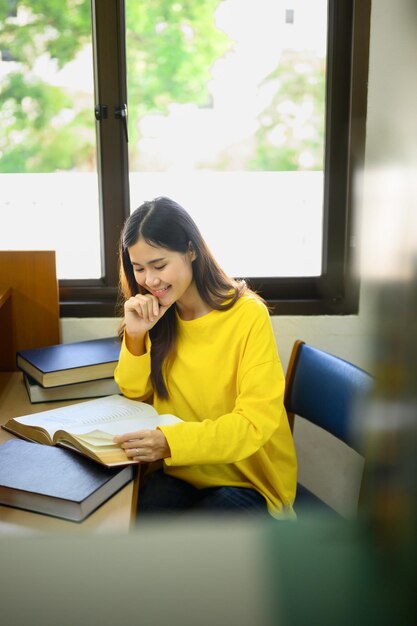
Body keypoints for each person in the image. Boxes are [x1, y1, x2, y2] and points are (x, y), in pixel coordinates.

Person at [113, 196, 297, 518]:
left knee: (193, 552)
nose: (150, 281)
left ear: (191, 250)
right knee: (137, 526)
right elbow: (134, 394)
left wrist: (170, 442)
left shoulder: (247, 315)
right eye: (139, 268)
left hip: (245, 478)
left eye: (159, 265)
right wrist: (137, 336)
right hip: (180, 469)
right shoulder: (157, 314)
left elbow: (254, 424)